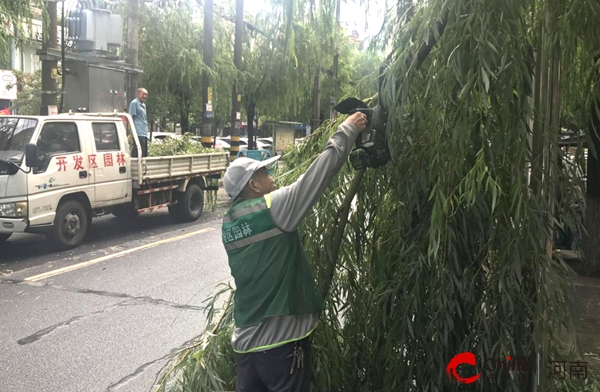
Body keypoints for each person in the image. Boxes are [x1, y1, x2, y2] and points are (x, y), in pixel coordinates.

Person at [221, 111, 368, 392]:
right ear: (253, 185)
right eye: (266, 173)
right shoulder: (272, 209)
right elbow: (316, 177)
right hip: (279, 348)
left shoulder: (229, 223)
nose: (272, 176)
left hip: (244, 347)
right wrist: (347, 131)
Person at [128, 88, 148, 157]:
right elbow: (130, 118)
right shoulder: (134, 103)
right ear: (138, 94)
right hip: (138, 133)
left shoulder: (143, 105)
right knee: (137, 154)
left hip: (144, 133)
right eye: (143, 94)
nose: (145, 96)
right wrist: (132, 133)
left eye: (146, 95)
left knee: (144, 154)